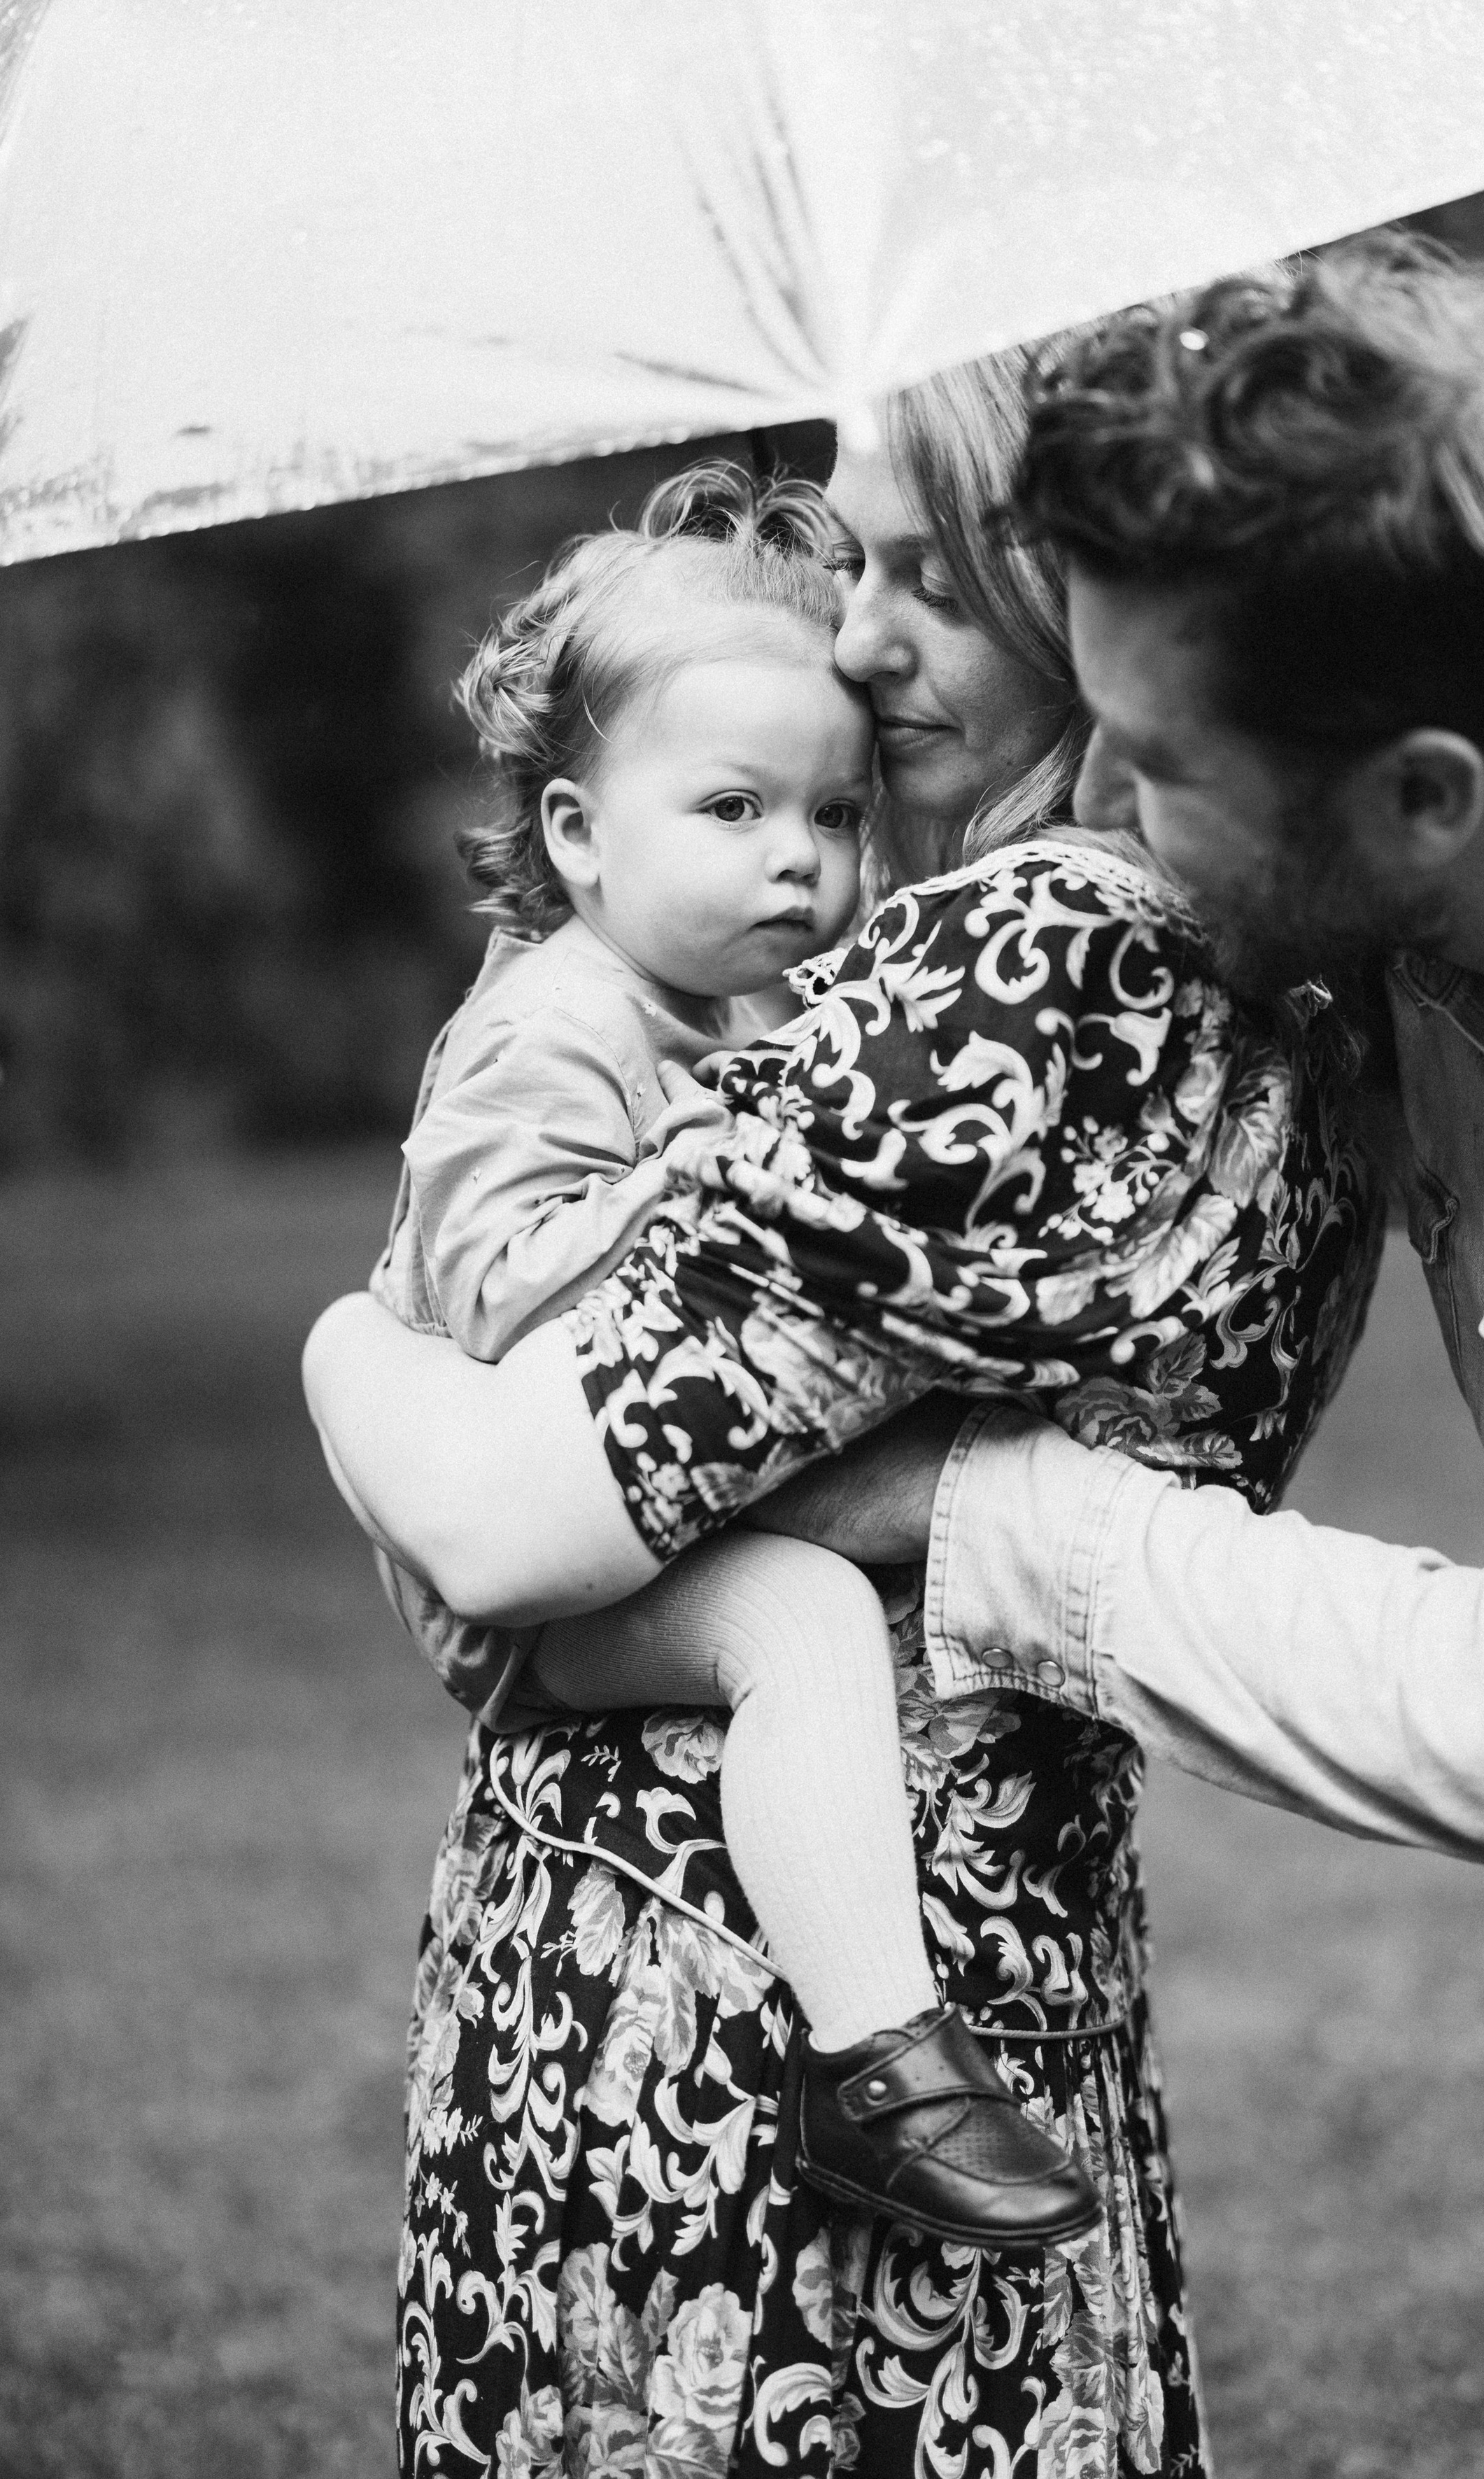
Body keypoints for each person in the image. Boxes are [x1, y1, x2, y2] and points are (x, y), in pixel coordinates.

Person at [303, 352, 1380, 2479]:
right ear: (574, 834)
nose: (864, 643)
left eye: (932, 582)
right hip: (974, 1941)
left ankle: (881, 2057)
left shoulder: (1045, 960)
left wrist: (346, 1358)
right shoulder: (1283, 960)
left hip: (715, 2020)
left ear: (1101, 612)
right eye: (854, 561)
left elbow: (524, 1505)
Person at [799, 234, 1484, 2312]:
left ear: (1422, 798)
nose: (1102, 802)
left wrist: (976, 1505)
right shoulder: (1450, 897)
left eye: (1161, 766)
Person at [359, 461, 1096, 2247]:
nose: (799, 856)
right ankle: (881, 2063)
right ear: (574, 835)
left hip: (630, 1511)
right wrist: (690, 1172)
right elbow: (500, 1305)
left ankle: (888, 2051)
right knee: (803, 1624)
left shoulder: (742, 998)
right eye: (733, 806)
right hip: (525, 1576)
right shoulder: (547, 1028)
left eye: (836, 816)